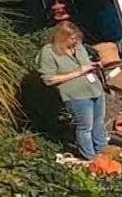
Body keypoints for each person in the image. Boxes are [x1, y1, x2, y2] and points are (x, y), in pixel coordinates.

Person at [36, 21, 108, 160]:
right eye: (72, 38)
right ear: (61, 38)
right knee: (85, 126)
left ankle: (102, 150)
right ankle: (90, 157)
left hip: (94, 88)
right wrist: (78, 72)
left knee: (98, 122)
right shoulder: (49, 52)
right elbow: (49, 79)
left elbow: (85, 64)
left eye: (77, 38)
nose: (75, 41)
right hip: (76, 95)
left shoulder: (79, 47)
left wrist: (93, 65)